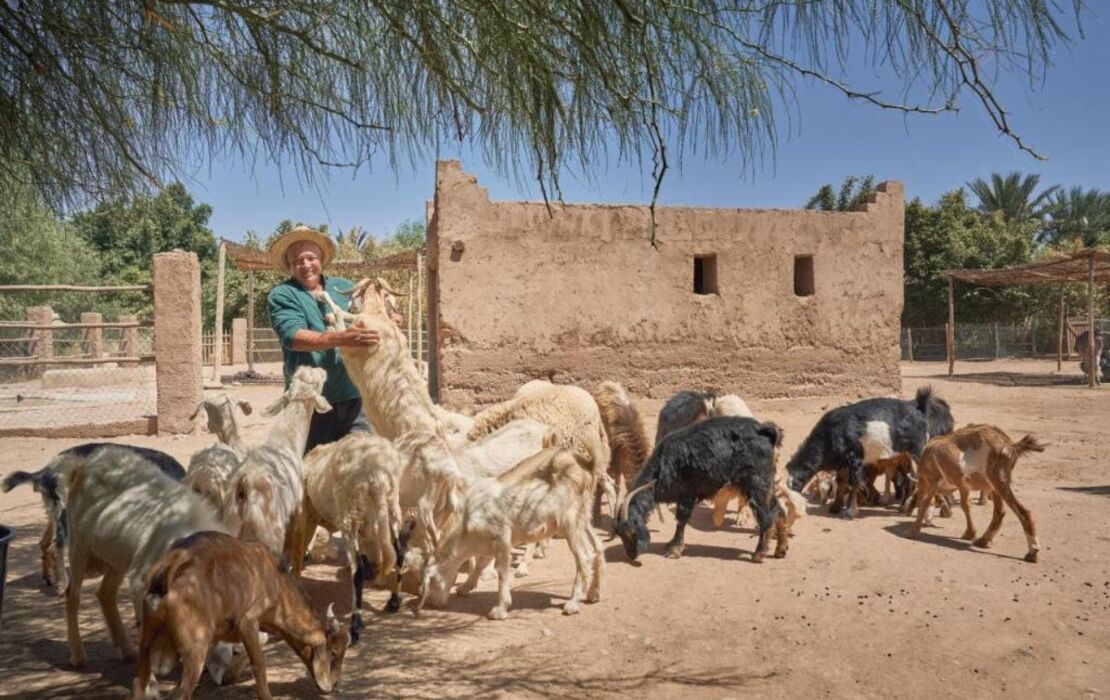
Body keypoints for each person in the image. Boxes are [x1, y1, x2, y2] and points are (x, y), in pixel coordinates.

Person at [267, 225, 378, 453]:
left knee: (361, 462)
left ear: (321, 259)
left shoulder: (343, 287)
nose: (305, 265)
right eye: (297, 261)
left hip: (354, 395)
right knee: (312, 469)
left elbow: (371, 315)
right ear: (289, 266)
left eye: (310, 258)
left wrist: (389, 318)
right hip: (310, 400)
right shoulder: (283, 294)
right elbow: (293, 336)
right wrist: (342, 338)